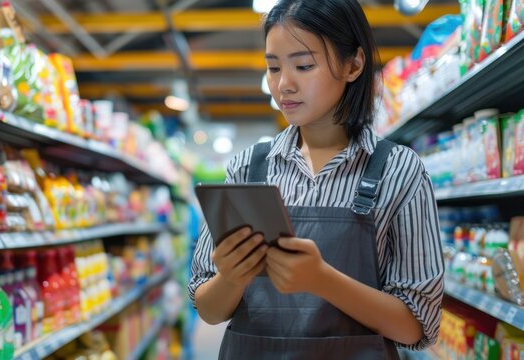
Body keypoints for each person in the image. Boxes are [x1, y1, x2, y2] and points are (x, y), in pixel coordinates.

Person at [188, 0, 445, 358]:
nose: (283, 85)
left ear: (353, 64)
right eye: (273, 67)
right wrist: (231, 277)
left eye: (304, 65)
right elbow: (208, 309)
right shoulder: (247, 169)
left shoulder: (399, 171)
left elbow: (418, 327)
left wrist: (322, 280)